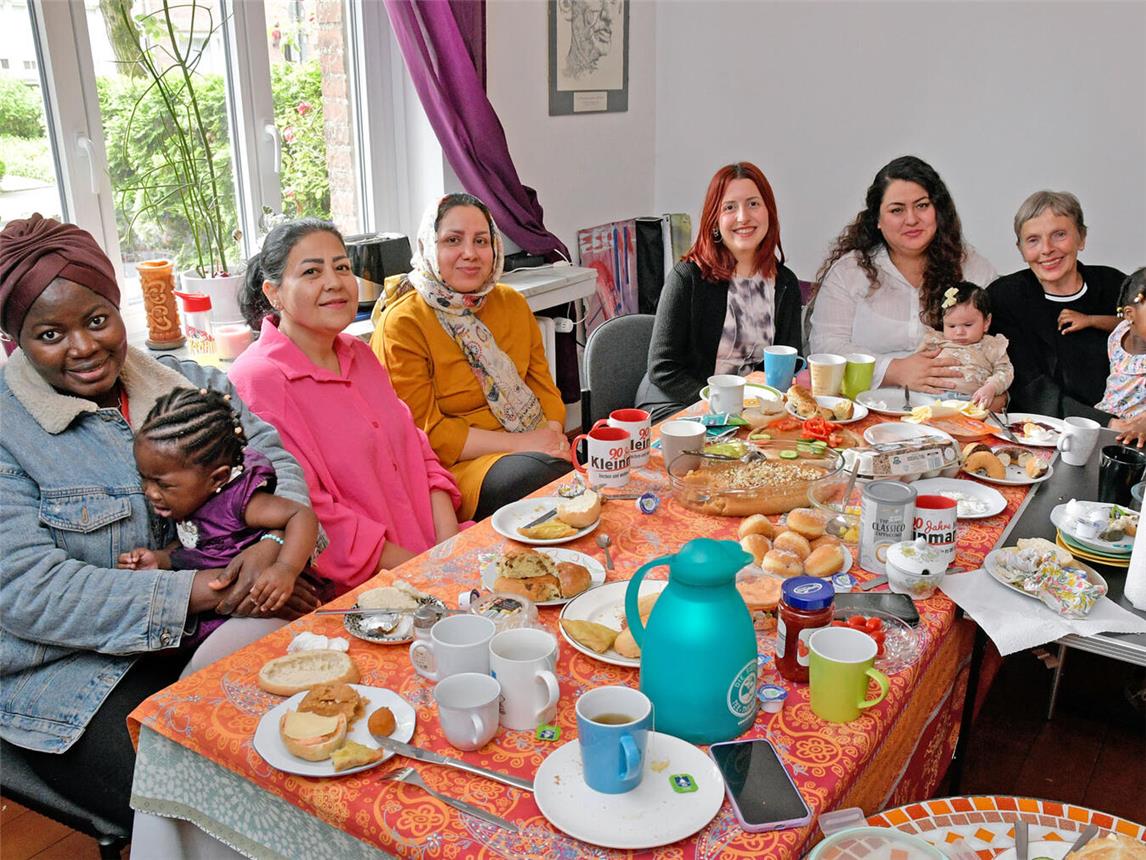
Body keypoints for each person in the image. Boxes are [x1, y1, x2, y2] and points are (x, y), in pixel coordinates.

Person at [0, 214, 322, 832]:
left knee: (310, 763)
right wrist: (212, 587)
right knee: (206, 800)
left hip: (211, 633)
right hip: (73, 676)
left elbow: (274, 461)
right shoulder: (9, 433)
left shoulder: (191, 384)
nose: (84, 347)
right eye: (50, 334)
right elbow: (28, 593)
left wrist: (278, 544)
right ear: (17, 340)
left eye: (97, 320)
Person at [232, 218, 463, 591]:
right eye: (311, 272)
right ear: (273, 293)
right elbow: (314, 514)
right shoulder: (258, 380)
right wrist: (424, 574)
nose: (334, 282)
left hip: (432, 561)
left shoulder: (358, 353)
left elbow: (418, 451)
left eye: (342, 267)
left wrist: (448, 551)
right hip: (362, 590)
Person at [372, 194, 570, 522]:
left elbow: (545, 390)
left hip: (534, 446)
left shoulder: (511, 303)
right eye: (453, 240)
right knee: (542, 479)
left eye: (481, 241)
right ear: (427, 247)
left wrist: (550, 437)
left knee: (604, 458)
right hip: (456, 469)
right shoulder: (404, 323)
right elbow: (427, 434)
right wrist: (525, 445)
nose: (470, 254)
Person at [119, 387, 320, 623]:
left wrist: (285, 568)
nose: (150, 492)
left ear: (217, 478)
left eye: (163, 485)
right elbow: (195, 544)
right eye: (144, 478)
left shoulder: (238, 502)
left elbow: (300, 515)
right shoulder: (189, 498)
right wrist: (160, 558)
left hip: (268, 603)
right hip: (224, 610)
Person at [808, 155, 997, 392]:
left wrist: (997, 394)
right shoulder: (849, 271)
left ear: (938, 210)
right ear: (877, 219)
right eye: (897, 210)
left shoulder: (973, 268)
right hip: (866, 410)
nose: (911, 219)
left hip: (953, 412)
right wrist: (893, 370)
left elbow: (1002, 347)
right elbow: (825, 345)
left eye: (922, 206)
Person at [635, 162, 803, 422]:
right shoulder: (688, 278)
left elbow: (785, 364)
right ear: (715, 220)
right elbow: (663, 368)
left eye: (753, 204)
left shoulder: (785, 284)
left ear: (769, 211)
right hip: (679, 404)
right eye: (729, 207)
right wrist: (723, 409)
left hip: (748, 412)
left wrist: (754, 409)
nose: (743, 217)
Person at [988, 191, 1125, 419]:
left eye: (1059, 234)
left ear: (1081, 237)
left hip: (1128, 425)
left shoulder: (1116, 287)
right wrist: (1104, 423)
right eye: (1033, 240)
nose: (1047, 249)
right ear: (1020, 248)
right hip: (1039, 430)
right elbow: (1028, 386)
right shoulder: (1005, 297)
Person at [917, 283, 1012, 409]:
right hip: (930, 398)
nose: (959, 332)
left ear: (986, 322)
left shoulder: (991, 346)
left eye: (967, 325)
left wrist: (991, 387)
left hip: (971, 401)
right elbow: (916, 365)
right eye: (951, 326)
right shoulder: (934, 341)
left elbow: (1005, 371)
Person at [1097, 268, 1146, 431]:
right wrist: (1088, 320)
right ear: (1130, 315)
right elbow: (1117, 323)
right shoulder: (1121, 332)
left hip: (1136, 431)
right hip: (1105, 417)